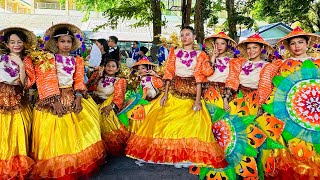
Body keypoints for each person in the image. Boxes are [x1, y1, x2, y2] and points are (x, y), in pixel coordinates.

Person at [126, 26, 226, 168]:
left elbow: (203, 75)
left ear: (194, 36)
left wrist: (197, 101)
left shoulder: (201, 55)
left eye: (187, 34)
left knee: (194, 124)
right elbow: (169, 74)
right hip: (174, 91)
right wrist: (165, 94)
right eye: (182, 35)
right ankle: (166, 154)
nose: (184, 37)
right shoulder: (175, 52)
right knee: (160, 120)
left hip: (192, 94)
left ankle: (185, 155)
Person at [27, 23, 105, 179]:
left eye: (69, 41)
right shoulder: (48, 58)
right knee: (57, 134)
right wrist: (54, 102)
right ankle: (59, 167)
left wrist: (78, 97)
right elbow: (45, 80)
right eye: (63, 41)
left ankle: (73, 164)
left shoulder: (77, 60)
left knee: (79, 132)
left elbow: (79, 81)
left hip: (72, 96)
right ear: (56, 43)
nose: (66, 45)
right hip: (53, 99)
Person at [258, 26, 320, 179]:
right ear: (288, 46)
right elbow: (274, 88)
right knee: (290, 145)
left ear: (308, 43)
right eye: (292, 43)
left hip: (314, 113)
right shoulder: (282, 65)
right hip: (286, 113)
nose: (297, 46)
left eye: (300, 42)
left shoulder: (318, 62)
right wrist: (264, 105)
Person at [0, 27, 36, 179]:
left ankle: (15, 165)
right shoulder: (1, 58)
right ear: (7, 44)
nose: (16, 45)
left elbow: (25, 84)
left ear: (24, 43)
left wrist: (21, 65)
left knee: (16, 133)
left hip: (17, 99)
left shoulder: (28, 61)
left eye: (19, 42)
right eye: (12, 42)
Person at [86, 59, 128, 156]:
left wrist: (111, 106)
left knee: (103, 119)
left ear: (117, 69)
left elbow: (119, 96)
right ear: (104, 67)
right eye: (108, 65)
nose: (110, 68)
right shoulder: (99, 77)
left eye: (113, 66)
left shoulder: (120, 81)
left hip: (108, 105)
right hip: (94, 103)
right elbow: (87, 88)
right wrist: (96, 76)